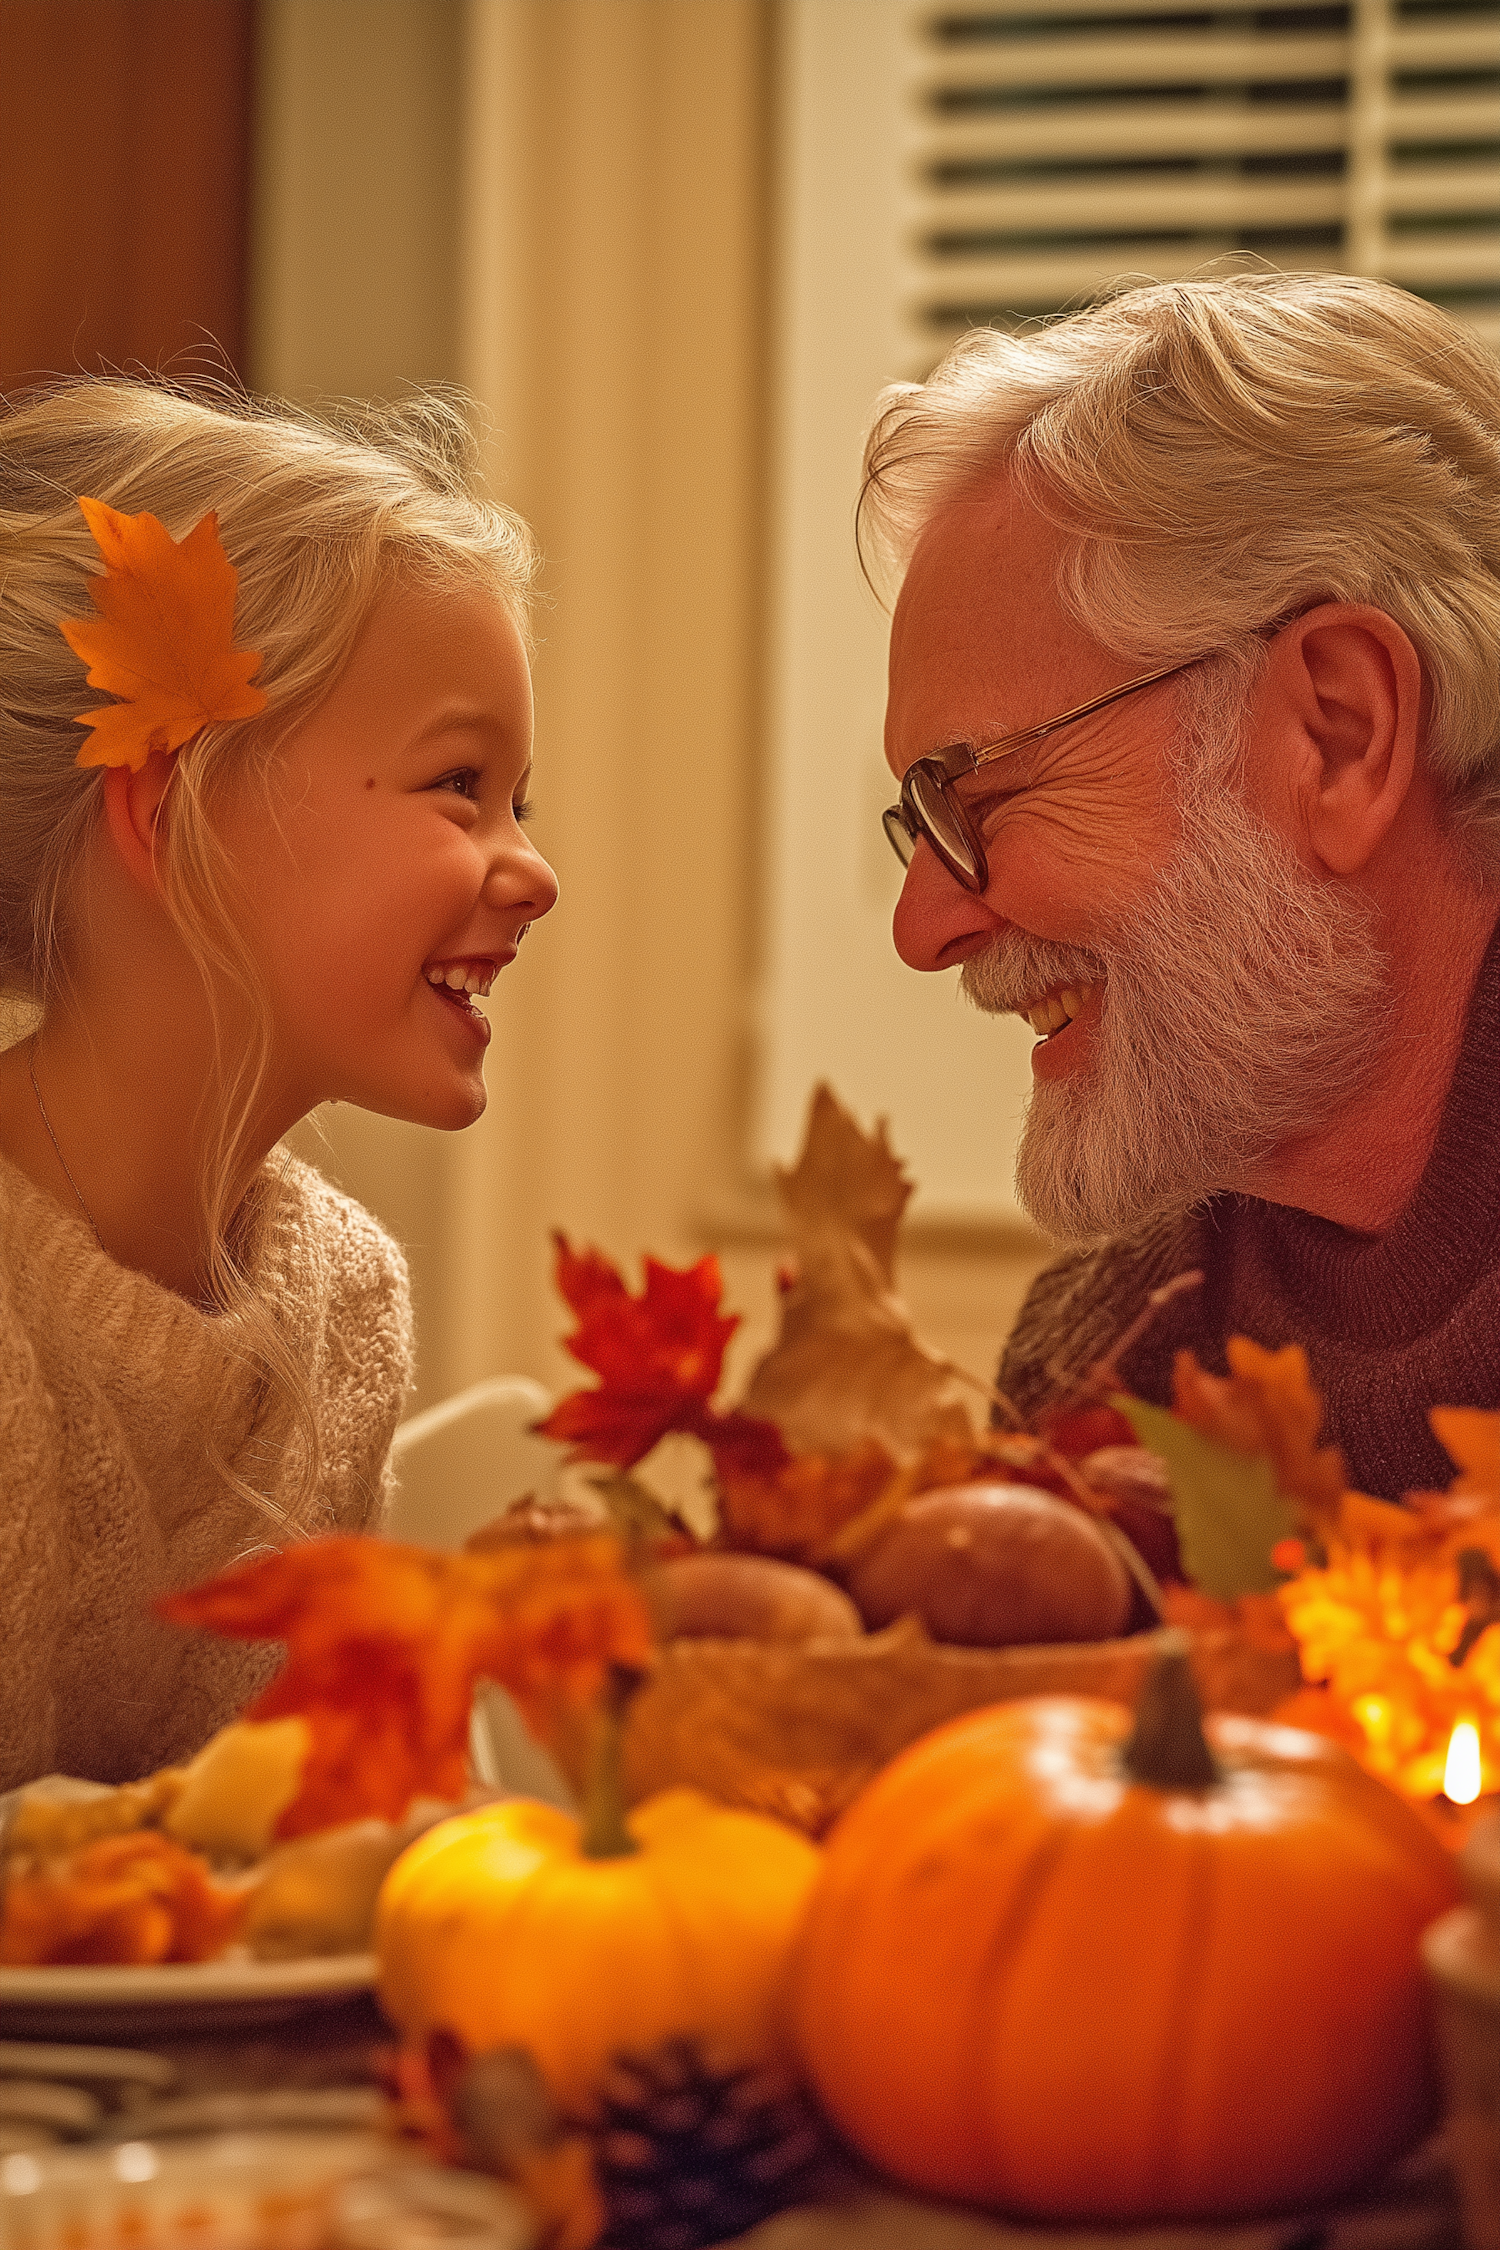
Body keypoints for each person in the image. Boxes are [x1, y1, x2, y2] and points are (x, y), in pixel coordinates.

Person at [0, 379, 558, 1792]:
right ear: (173, 807)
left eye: (520, 801)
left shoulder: (344, 1299)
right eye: (457, 784)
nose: (535, 869)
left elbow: (259, 1854)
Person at [871, 273, 1500, 1502]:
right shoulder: (1111, 1363)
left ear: (1338, 735)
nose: (925, 927)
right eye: (922, 825)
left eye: (981, 794)